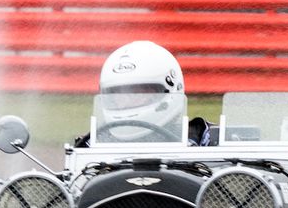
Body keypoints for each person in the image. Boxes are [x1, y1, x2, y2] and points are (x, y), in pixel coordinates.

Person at [77, 40, 211, 146]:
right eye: (117, 94)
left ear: (170, 90)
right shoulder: (93, 146)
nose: (125, 101)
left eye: (138, 92)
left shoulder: (201, 140)